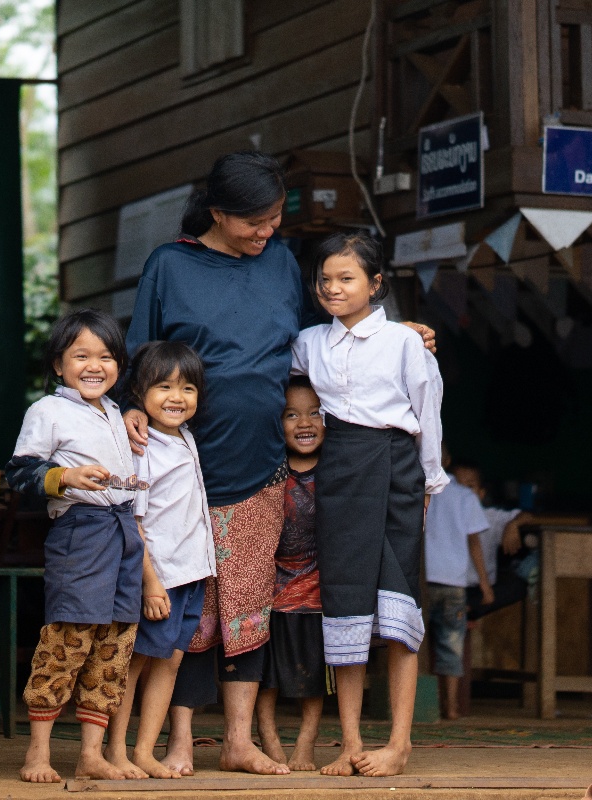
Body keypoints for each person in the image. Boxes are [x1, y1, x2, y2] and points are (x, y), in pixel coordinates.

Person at [121, 150, 434, 776]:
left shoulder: (282, 265)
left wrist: (406, 334)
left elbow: (327, 340)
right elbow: (142, 355)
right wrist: (131, 407)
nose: (267, 232)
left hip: (262, 464)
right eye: (254, 222)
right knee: (190, 606)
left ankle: (237, 740)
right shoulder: (170, 265)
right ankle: (178, 740)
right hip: (183, 465)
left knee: (246, 604)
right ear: (218, 212)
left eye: (273, 220)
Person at [291, 231, 446, 778]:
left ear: (376, 284)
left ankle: (399, 743)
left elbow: (428, 415)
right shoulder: (309, 344)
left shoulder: (405, 343)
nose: (333, 288)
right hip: (341, 469)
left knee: (400, 602)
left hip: (397, 467)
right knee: (345, 598)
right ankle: (352, 741)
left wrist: (428, 485)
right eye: (325, 279)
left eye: (346, 278)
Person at [4, 308, 144, 783]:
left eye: (106, 356)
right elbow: (19, 472)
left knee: (115, 642)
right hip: (80, 531)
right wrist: (66, 477)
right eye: (81, 355)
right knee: (67, 638)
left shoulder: (114, 411)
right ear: (59, 365)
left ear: (119, 366)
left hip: (123, 531)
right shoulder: (47, 411)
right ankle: (38, 753)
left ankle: (90, 754)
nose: (94, 365)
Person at [104, 341, 216, 779]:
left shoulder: (185, 436)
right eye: (164, 386)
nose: (177, 397)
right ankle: (116, 750)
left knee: (168, 662)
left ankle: (145, 750)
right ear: (138, 391)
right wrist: (150, 583)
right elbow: (135, 520)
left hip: (191, 573)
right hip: (161, 575)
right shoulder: (142, 445)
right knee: (134, 664)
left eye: (187, 388)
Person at [256, 376, 331, 771]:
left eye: (315, 412)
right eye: (292, 415)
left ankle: (307, 738)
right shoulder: (269, 468)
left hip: (317, 591)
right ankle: (266, 733)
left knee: (312, 670)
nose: (305, 423)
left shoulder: (336, 469)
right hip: (270, 588)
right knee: (265, 671)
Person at [424, 451, 493, 720]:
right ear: (449, 460)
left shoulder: (413, 489)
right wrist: (485, 585)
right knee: (451, 646)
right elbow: (474, 543)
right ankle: (450, 707)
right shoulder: (464, 496)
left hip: (422, 581)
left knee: (413, 647)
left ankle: (420, 709)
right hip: (453, 583)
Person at [451, 461, 533, 621]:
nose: (463, 493)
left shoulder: (490, 517)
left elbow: (528, 516)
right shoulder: (440, 515)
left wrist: (513, 524)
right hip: (450, 589)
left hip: (480, 592)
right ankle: (462, 612)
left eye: (470, 487)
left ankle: (464, 611)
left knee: (517, 585)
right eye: (457, 486)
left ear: (481, 493)